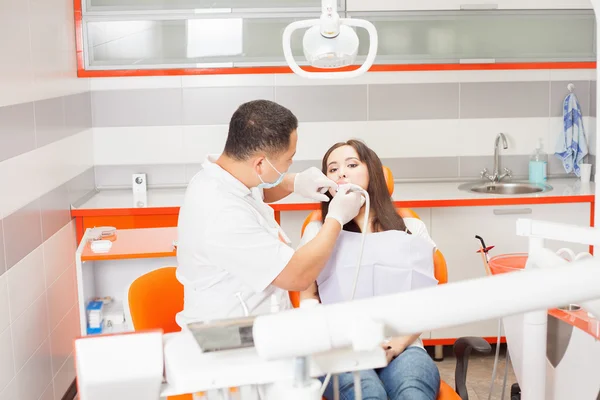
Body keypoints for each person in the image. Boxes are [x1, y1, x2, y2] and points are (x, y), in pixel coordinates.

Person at [175, 100, 364, 328]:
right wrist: (336, 218)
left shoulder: (225, 173)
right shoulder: (223, 215)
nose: (291, 163)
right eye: (288, 159)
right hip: (231, 336)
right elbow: (298, 276)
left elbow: (257, 189)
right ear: (260, 163)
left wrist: (295, 182)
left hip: (264, 322)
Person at [299, 139, 441, 400]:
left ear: (373, 171)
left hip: (403, 344)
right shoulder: (317, 232)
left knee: (412, 391)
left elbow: (427, 300)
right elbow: (307, 297)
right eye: (332, 169)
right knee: (368, 394)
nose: (341, 172)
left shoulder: (411, 229)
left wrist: (397, 344)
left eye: (351, 164)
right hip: (340, 348)